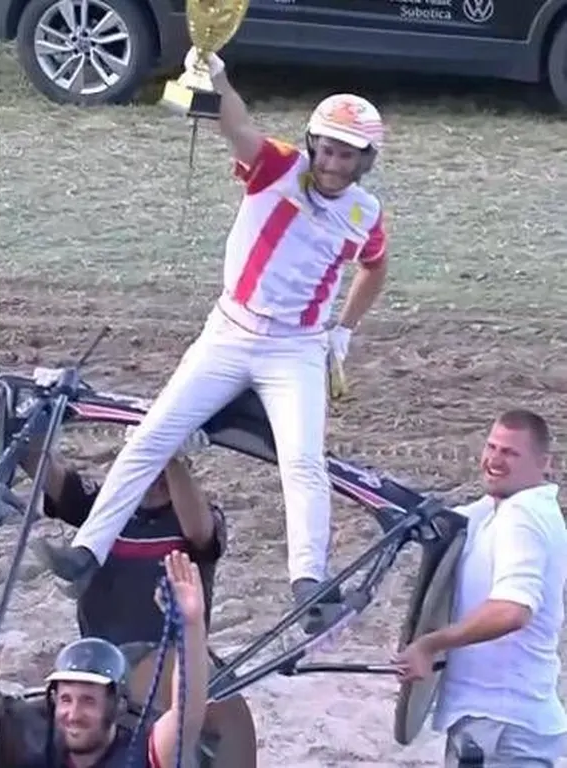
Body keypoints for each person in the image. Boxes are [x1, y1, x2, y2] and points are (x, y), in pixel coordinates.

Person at [34, 45, 390, 636]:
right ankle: (87, 552)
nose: (331, 163)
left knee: (303, 462)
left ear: (364, 161)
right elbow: (237, 125)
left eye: (345, 154)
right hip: (230, 333)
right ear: (312, 144)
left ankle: (308, 582)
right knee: (152, 436)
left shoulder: (365, 212)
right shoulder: (277, 167)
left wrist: (343, 331)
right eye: (326, 149)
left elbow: (374, 267)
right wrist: (217, 77)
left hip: (296, 349)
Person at [24, 425, 258, 765]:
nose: (155, 478)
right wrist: (23, 430)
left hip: (173, 661)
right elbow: (47, 473)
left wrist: (169, 454)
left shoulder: (194, 516)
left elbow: (199, 530)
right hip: (105, 664)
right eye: (148, 464)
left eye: (162, 471)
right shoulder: (105, 509)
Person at [394, 409, 567, 767]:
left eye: (510, 453)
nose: (495, 460)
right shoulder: (494, 510)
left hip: (501, 729)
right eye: (491, 447)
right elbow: (440, 520)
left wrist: (430, 644)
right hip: (498, 724)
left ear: (544, 464)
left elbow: (512, 611)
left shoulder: (523, 517)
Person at [37, 551, 210, 768]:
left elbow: (186, 716)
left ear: (118, 705)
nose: (73, 714)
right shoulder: (41, 758)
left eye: (88, 701)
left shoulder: (144, 754)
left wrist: (191, 626)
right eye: (66, 700)